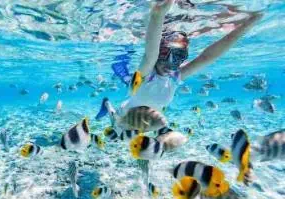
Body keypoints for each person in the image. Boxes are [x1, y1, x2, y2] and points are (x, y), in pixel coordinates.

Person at [96, 0, 262, 127]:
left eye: (179, 56)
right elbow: (150, 55)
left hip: (148, 124)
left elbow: (208, 57)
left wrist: (246, 26)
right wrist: (158, 14)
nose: (171, 62)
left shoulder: (175, 77)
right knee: (115, 121)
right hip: (126, 115)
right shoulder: (147, 74)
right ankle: (107, 103)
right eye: (165, 54)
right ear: (159, 51)